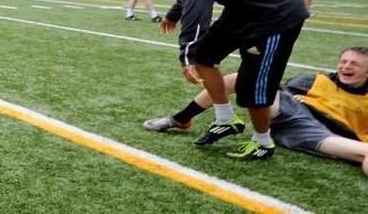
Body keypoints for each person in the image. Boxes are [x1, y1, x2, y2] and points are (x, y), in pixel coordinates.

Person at [133, 0, 310, 160]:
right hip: (243, 11)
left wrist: (186, 54)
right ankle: (225, 118)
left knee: (253, 85)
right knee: (205, 57)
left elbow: (198, 9)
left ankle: (263, 142)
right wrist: (173, 15)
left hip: (272, 17)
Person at [143, 46, 368, 175]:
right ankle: (180, 119)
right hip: (289, 111)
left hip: (317, 133)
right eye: (343, 61)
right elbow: (277, 90)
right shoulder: (316, 80)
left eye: (353, 64)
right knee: (241, 79)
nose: (345, 67)